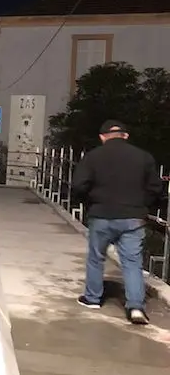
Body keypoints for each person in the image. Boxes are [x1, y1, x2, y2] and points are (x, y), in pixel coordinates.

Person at [70, 120, 163, 325]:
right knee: (132, 262)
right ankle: (136, 307)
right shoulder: (143, 157)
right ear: (125, 136)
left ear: (102, 137)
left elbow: (78, 185)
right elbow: (156, 188)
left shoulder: (93, 157)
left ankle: (93, 298)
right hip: (133, 218)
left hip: (101, 215)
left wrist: (90, 202)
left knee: (96, 258)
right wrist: (142, 206)